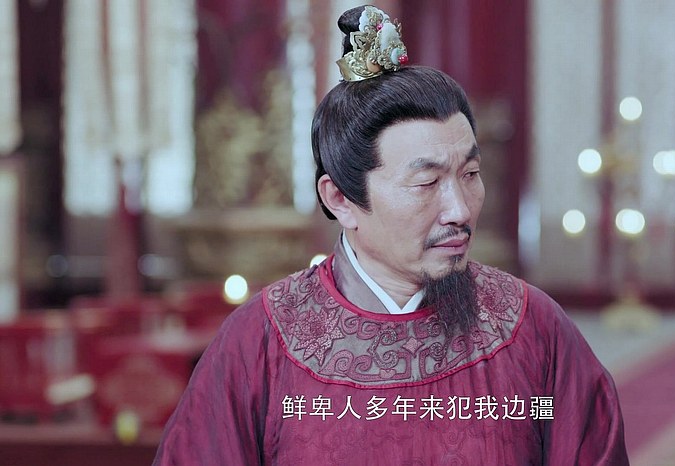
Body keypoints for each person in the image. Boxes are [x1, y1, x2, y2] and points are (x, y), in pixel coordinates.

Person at [154, 5, 629, 465]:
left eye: (470, 174)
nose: (460, 210)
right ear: (340, 199)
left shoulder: (532, 328)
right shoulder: (260, 343)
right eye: (426, 183)